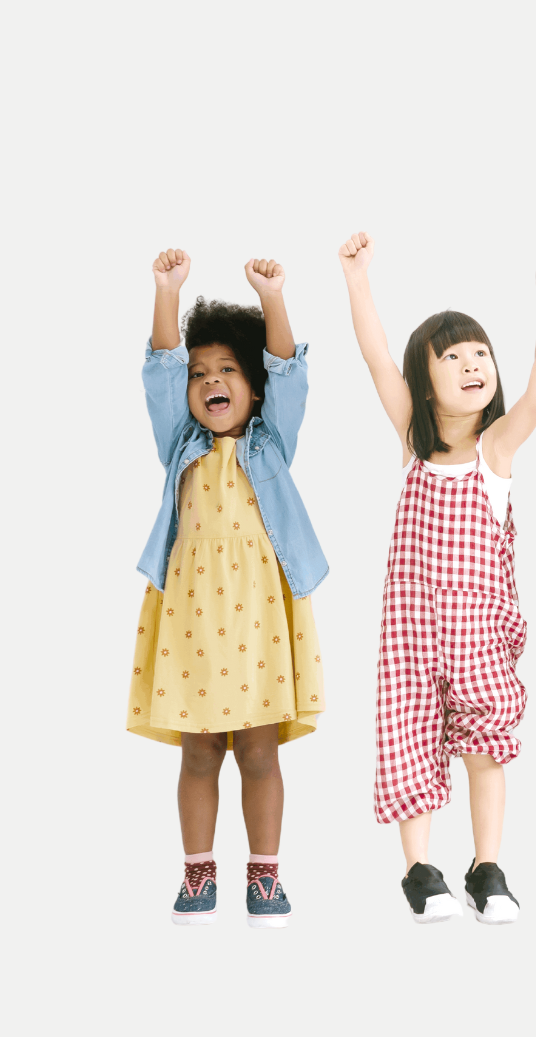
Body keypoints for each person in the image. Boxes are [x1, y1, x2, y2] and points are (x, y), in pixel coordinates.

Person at [339, 230, 536, 924]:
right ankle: (419, 869)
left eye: (480, 354)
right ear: (424, 380)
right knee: (409, 734)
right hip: (410, 630)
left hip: (477, 633)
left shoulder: (494, 450)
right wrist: (357, 280)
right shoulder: (414, 441)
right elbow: (377, 357)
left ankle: (486, 866)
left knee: (483, 748)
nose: (472, 364)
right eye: (452, 357)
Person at [129, 248, 327, 929]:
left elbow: (290, 373)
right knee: (199, 750)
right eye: (200, 374)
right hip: (190, 619)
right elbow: (159, 372)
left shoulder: (271, 444)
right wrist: (167, 292)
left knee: (260, 751)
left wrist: (273, 299)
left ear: (254, 388)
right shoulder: (179, 443)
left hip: (261, 622)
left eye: (228, 370)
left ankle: (265, 876)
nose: (211, 380)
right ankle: (198, 871)